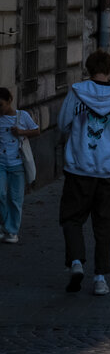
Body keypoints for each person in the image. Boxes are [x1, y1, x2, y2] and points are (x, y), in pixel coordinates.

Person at [58, 50, 110, 296]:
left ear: (88, 69)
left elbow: (62, 124)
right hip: (108, 170)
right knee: (104, 224)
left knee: (71, 218)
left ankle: (77, 262)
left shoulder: (76, 92)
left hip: (79, 167)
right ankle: (100, 278)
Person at [0, 87, 39, 244]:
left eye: (1, 105)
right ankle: (4, 224)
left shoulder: (22, 116)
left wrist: (21, 132)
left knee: (15, 199)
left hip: (17, 164)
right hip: (1, 163)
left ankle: (12, 231)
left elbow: (36, 131)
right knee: (0, 194)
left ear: (9, 100)